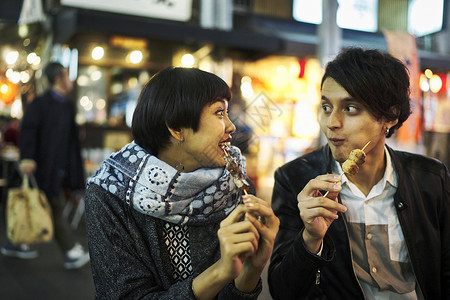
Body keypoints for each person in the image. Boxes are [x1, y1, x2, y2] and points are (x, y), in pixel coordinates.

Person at [268, 47, 449, 300]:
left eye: (351, 108)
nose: (332, 122)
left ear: (390, 116)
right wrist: (309, 239)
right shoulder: (295, 180)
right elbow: (283, 292)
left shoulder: (430, 179)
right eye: (326, 107)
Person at [84, 67, 279, 299]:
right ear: (176, 127)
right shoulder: (110, 193)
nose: (231, 126)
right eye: (219, 112)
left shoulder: (234, 187)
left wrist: (251, 270)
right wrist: (220, 272)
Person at [1, 62, 90, 269]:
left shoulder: (67, 106)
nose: (70, 81)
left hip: (57, 168)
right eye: (67, 76)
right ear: (59, 78)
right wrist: (27, 158)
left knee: (39, 203)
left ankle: (16, 241)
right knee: (52, 204)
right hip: (40, 166)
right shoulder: (41, 104)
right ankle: (70, 251)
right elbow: (29, 131)